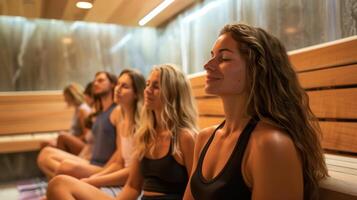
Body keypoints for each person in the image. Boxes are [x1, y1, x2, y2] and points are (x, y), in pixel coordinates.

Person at [184, 23, 328, 200]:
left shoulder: (271, 145)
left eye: (224, 58)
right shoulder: (204, 138)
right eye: (212, 56)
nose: (207, 65)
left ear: (256, 69)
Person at [46, 64, 198, 200]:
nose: (148, 90)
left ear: (172, 93)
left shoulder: (185, 137)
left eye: (156, 86)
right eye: (147, 84)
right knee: (59, 184)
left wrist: (94, 179)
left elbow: (196, 189)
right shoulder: (144, 135)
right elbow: (132, 187)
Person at [37, 71, 118, 178]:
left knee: (63, 161)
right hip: (90, 160)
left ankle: (63, 182)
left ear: (112, 84)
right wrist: (79, 159)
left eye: (101, 80)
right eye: (95, 81)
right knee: (45, 154)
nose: (96, 83)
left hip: (101, 166)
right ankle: (63, 181)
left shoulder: (117, 111)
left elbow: (120, 151)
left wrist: (105, 173)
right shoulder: (100, 113)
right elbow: (90, 145)